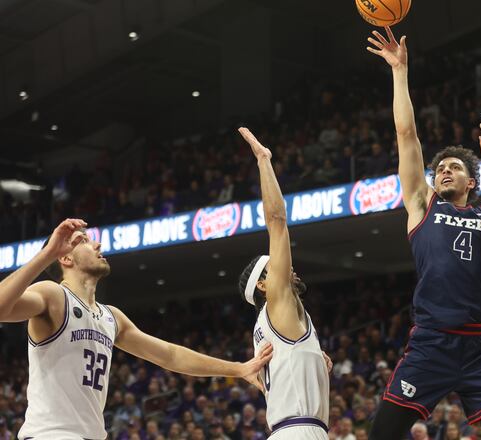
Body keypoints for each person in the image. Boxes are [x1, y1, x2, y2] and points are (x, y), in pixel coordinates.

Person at [366, 27, 481, 440]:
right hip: (431, 343)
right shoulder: (421, 203)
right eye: (439, 167)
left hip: (480, 348)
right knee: (381, 435)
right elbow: (406, 134)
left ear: (470, 183)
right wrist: (399, 71)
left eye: (454, 168)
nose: (443, 170)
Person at [0, 219, 272, 439]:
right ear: (65, 259)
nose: (96, 243)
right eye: (82, 241)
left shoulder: (111, 317)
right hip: (51, 434)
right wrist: (46, 254)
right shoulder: (52, 295)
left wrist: (238, 368)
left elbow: (170, 355)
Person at [237, 128, 331, 439]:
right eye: (275, 268)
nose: (288, 269)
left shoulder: (270, 325)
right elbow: (276, 221)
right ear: (264, 285)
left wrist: (315, 362)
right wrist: (264, 161)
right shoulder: (277, 303)